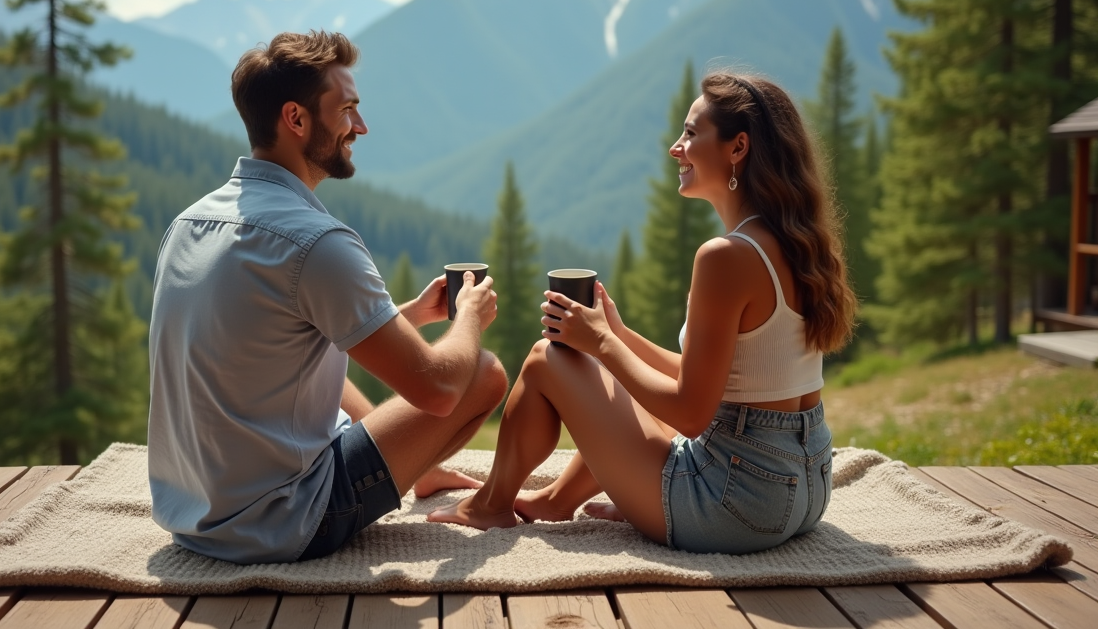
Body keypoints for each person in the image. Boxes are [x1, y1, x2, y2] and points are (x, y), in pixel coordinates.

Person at [429, 72, 856, 555]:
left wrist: (602, 345)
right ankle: (553, 500)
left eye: (692, 134)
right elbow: (714, 382)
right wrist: (620, 334)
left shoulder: (726, 257)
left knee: (549, 357)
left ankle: (490, 505)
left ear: (738, 148)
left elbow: (692, 414)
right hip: (806, 486)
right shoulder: (795, 241)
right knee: (603, 372)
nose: (676, 147)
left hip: (734, 504)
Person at [148, 30, 507, 564]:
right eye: (347, 110)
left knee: (335, 371)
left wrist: (400, 317)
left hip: (191, 514)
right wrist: (468, 317)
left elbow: (274, 344)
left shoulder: (190, 223)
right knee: (482, 371)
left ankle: (419, 468)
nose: (360, 127)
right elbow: (438, 391)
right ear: (296, 119)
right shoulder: (317, 243)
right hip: (283, 520)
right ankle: (409, 466)